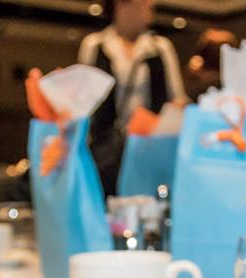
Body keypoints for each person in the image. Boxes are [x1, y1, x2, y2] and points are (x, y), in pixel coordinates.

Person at [78, 0, 186, 195]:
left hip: (150, 149)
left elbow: (177, 99)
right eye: (144, 3)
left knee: (148, 201)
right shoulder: (95, 45)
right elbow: (84, 104)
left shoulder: (160, 47)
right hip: (106, 150)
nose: (150, 6)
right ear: (121, 5)